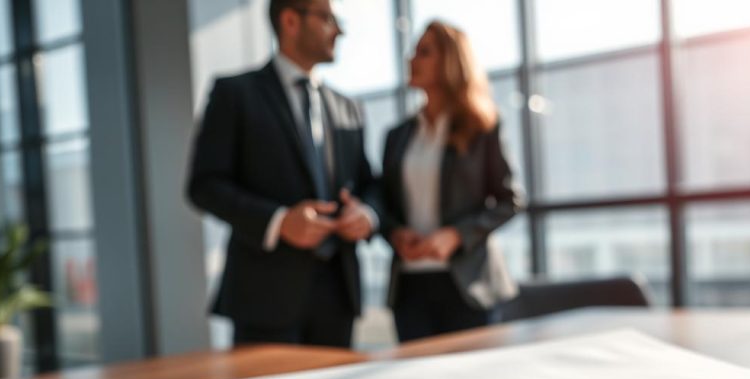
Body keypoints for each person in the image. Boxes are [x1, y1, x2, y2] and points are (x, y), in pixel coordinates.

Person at [187, 0, 379, 348]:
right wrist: (278, 221)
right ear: (290, 20)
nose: (339, 30)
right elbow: (204, 185)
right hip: (264, 299)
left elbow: (368, 184)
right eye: (328, 19)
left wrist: (367, 213)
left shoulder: (349, 107)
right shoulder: (235, 94)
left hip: (338, 296)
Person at [379, 21, 523, 342]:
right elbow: (384, 203)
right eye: (413, 51)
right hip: (410, 288)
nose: (411, 59)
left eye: (424, 52)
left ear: (451, 61)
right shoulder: (397, 136)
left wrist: (456, 235)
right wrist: (394, 233)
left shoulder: (482, 127)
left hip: (468, 283)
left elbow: (509, 200)